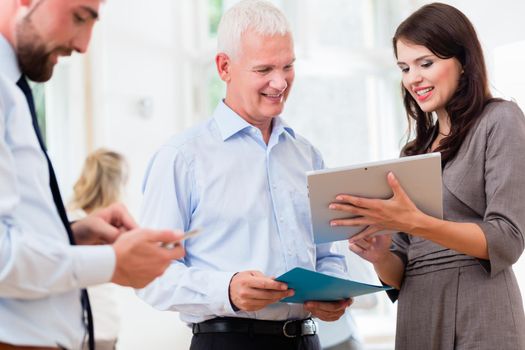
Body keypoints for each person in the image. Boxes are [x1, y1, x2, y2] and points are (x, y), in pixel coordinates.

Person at [138, 1, 351, 349]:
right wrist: (227, 289)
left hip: (307, 340)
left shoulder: (308, 156)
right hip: (228, 341)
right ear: (224, 67)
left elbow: (329, 256)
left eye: (288, 66)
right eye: (264, 68)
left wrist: (333, 289)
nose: (280, 82)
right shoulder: (182, 158)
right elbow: (149, 275)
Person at [329, 3, 525, 349]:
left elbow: (507, 240)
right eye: (404, 67)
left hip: (480, 307)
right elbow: (400, 271)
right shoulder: (412, 154)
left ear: (463, 62)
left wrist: (416, 222)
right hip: (418, 310)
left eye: (426, 63)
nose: (413, 78)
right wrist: (379, 255)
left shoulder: (500, 120)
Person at [0, 1, 185, 349]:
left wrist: (70, 235)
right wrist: (112, 263)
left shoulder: (13, 89)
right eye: (79, 17)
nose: (84, 45)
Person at [68, 149, 129, 350]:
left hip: (98, 330)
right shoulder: (76, 226)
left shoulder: (70, 219)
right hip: (89, 332)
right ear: (116, 185)